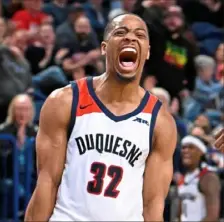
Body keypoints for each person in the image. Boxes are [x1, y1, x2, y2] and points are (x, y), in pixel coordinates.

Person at [24, 13, 177, 221]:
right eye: (120, 32)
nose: (130, 38)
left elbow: (153, 205)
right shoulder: (64, 101)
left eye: (139, 35)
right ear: (104, 48)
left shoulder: (161, 122)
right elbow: (47, 182)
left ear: (147, 52)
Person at [177, 135, 221, 221]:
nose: (185, 150)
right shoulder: (184, 177)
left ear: (201, 152)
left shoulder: (208, 177)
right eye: (183, 147)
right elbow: (181, 213)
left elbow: (212, 217)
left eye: (191, 147)